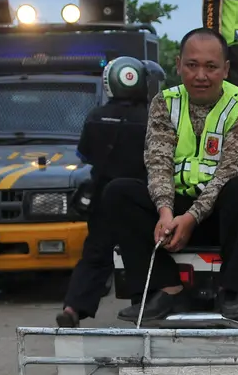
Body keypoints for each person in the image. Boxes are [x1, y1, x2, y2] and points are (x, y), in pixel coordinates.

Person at [102, 28, 238, 322]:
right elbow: (158, 164)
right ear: (178, 64)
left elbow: (225, 175)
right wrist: (166, 213)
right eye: (192, 65)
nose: (200, 75)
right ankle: (166, 289)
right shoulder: (164, 103)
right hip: (177, 211)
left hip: (222, 214)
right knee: (118, 192)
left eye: (211, 66)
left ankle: (230, 291)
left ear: (226, 70)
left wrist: (191, 219)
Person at [56, 57, 166, 328]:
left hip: (102, 196)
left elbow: (84, 155)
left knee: (95, 254)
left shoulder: (96, 116)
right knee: (139, 252)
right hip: (138, 199)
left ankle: (72, 308)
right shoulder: (151, 119)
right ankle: (143, 307)